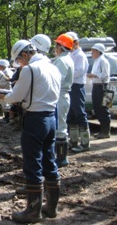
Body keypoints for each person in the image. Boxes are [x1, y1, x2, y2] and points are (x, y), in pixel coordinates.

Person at [4, 40, 61, 223]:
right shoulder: (53, 67)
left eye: (20, 61)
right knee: (49, 161)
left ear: (25, 55)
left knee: (33, 164)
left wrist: (4, 96)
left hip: (35, 119)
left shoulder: (30, 69)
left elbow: (17, 96)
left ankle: (33, 211)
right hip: (51, 118)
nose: (20, 64)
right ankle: (51, 207)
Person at [52, 34, 74, 168]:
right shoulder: (66, 59)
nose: (55, 47)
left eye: (56, 45)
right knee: (61, 126)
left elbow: (56, 79)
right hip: (63, 95)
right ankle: (60, 157)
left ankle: (61, 158)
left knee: (60, 127)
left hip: (60, 95)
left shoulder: (61, 61)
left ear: (60, 46)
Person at [66, 32, 90, 152]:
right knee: (71, 115)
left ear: (75, 42)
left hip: (77, 86)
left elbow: (79, 72)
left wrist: (66, 75)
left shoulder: (80, 55)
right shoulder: (71, 55)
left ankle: (85, 143)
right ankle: (73, 141)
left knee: (79, 113)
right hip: (71, 86)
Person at [87, 43, 111, 139]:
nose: (92, 53)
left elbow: (105, 75)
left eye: (93, 51)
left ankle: (105, 131)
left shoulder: (103, 61)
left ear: (98, 51)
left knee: (103, 108)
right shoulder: (97, 61)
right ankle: (103, 130)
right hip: (96, 86)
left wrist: (94, 75)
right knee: (97, 108)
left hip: (103, 86)